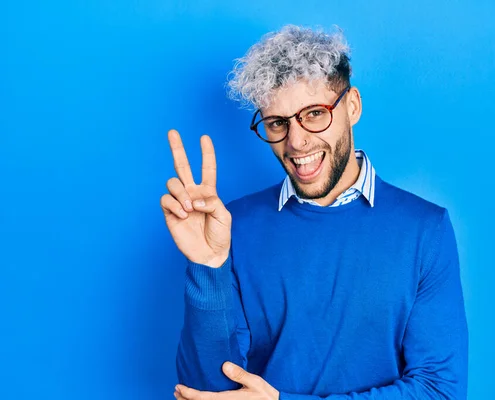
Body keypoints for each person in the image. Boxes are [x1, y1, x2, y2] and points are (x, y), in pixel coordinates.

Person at [160, 25, 468, 400]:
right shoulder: (231, 227)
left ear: (351, 106)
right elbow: (205, 390)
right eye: (278, 123)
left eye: (314, 113)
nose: (297, 140)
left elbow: (439, 391)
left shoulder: (425, 230)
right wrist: (208, 266)